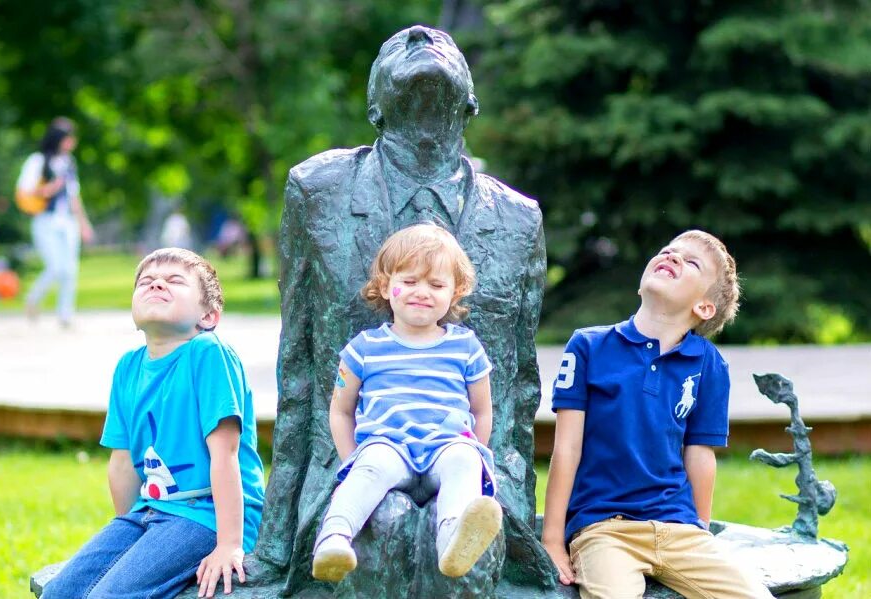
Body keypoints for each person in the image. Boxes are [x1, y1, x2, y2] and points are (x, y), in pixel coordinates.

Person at [260, 25, 548, 595]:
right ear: (373, 104)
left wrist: (504, 485)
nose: (419, 35)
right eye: (396, 46)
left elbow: (518, 390)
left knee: (467, 559)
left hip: (465, 458)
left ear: (470, 101)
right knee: (380, 536)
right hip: (359, 458)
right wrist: (275, 534)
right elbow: (297, 369)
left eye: (444, 44)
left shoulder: (519, 219)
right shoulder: (316, 191)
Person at [542, 230, 773, 598]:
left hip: (680, 529)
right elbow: (566, 449)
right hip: (605, 529)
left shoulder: (709, 364)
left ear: (704, 308)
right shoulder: (588, 346)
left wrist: (701, 527)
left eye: (691, 261)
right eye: (669, 250)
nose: (673, 256)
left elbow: (700, 454)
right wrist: (553, 540)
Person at [40, 248, 265, 599]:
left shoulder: (208, 354)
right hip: (151, 511)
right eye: (146, 281)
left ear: (208, 315)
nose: (157, 283)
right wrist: (129, 532)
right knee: (59, 592)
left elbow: (226, 454)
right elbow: (122, 463)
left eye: (174, 281)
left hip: (205, 514)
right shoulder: (128, 367)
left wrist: (229, 544)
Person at [311, 224, 502, 582]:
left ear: (455, 292)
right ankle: (334, 538)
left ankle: (453, 542)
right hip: (389, 447)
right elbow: (340, 409)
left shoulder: (466, 347)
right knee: (370, 467)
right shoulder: (364, 348)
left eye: (436, 284)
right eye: (410, 281)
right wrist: (352, 457)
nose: (421, 292)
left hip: (444, 447)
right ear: (386, 286)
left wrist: (474, 448)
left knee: (464, 460)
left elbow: (481, 409)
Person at [16, 117, 94, 327]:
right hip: (45, 219)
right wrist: (49, 189)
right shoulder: (38, 161)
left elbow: (74, 196)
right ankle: (33, 299)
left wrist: (84, 224)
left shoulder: (69, 162)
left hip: (67, 221)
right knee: (55, 267)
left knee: (70, 270)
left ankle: (65, 314)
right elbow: (24, 190)